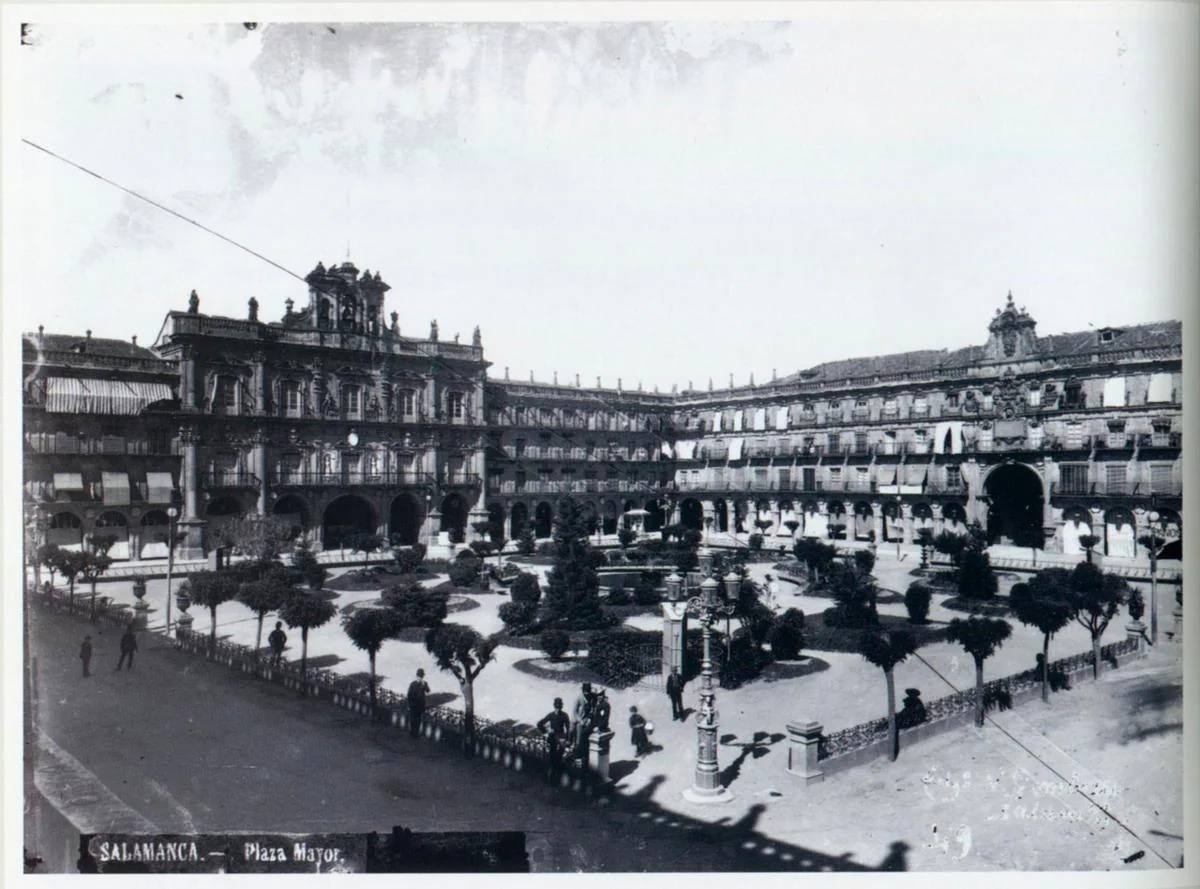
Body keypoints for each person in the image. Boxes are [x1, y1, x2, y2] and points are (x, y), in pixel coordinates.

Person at [536, 697, 570, 777]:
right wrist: (546, 731)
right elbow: (539, 724)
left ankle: (557, 775)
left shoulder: (565, 715)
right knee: (552, 757)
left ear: (561, 707)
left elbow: (568, 728)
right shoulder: (551, 715)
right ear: (554, 707)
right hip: (552, 738)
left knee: (559, 756)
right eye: (556, 707)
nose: (558, 709)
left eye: (559, 707)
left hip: (561, 738)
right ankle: (551, 776)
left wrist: (567, 739)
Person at [571, 682, 594, 759]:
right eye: (585, 691)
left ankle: (579, 747)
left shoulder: (591, 698)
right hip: (578, 718)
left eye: (588, 691)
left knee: (582, 729)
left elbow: (591, 710)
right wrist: (580, 720)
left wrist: (588, 719)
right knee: (573, 729)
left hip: (586, 719)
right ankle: (575, 745)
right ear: (583, 691)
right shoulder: (579, 698)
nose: (587, 693)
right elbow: (574, 711)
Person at [406, 668, 430, 738]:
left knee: (418, 720)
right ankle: (412, 733)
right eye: (419, 676)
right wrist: (409, 705)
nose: (420, 678)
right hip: (413, 705)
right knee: (412, 719)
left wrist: (424, 685)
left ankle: (416, 733)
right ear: (417, 676)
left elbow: (428, 691)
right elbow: (409, 695)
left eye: (421, 676)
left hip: (420, 705)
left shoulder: (424, 683)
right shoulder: (412, 684)